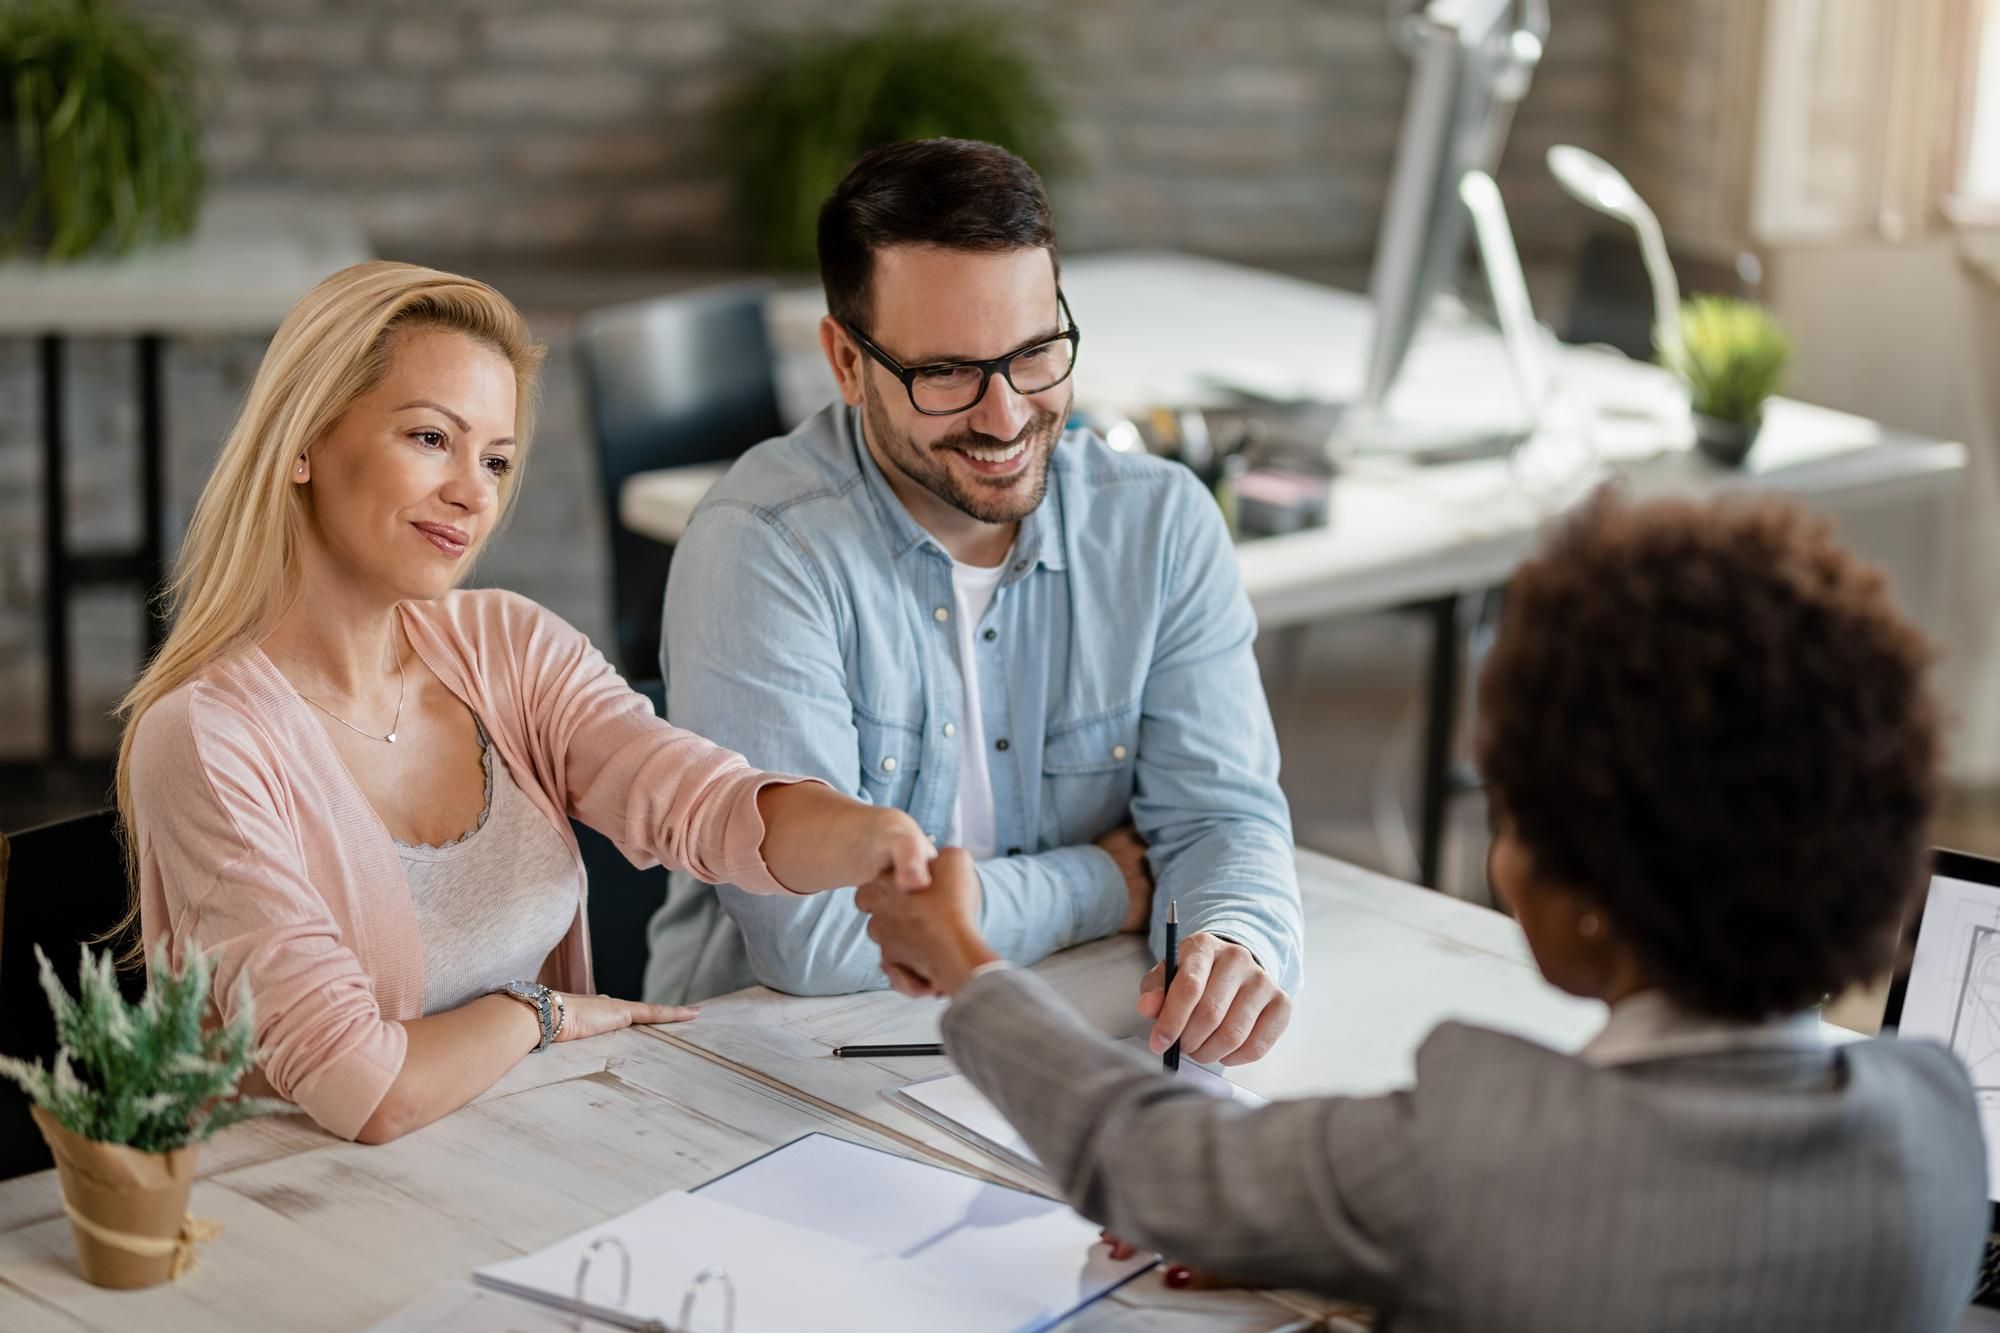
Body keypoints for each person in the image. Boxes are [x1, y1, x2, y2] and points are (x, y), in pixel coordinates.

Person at [857, 489, 1987, 1331]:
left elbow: (1145, 1157)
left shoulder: (1486, 1151)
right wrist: (1378, 1244)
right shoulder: (1935, 1126)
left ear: (1591, 905)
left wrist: (965, 961)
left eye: (1511, 814)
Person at [116, 261, 933, 1145]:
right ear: (304, 440)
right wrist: (539, 1014)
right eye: (431, 438)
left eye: (496, 459)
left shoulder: (506, 646)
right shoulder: (206, 739)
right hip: (301, 1206)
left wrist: (874, 841)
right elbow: (364, 1086)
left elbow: (704, 802)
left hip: (521, 1151)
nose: (473, 493)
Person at [643, 138, 1303, 1068]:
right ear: (845, 361)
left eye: (1034, 354)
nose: (1004, 417)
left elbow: (1221, 820)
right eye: (946, 372)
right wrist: (1102, 885)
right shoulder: (762, 543)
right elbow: (817, 939)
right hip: (774, 1069)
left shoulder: (1159, 526)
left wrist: (1234, 937)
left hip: (1073, 1028)